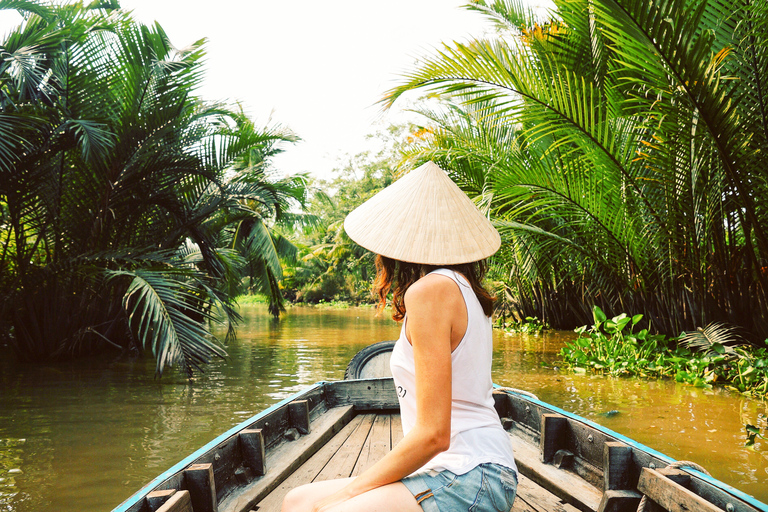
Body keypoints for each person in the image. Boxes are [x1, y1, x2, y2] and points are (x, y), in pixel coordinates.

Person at [281, 161, 517, 512]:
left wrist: (347, 494)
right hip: (454, 467)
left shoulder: (431, 290)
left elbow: (435, 434)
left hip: (472, 473)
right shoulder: (461, 287)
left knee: (329, 509)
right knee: (296, 501)